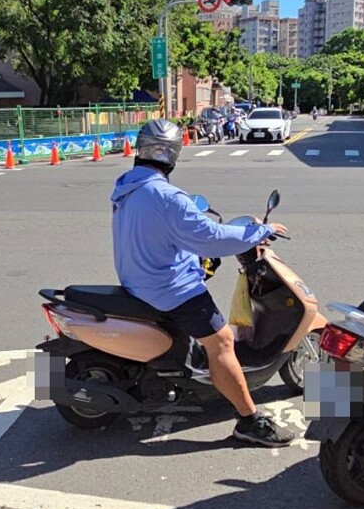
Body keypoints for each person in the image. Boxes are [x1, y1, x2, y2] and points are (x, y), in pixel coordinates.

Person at [110, 119, 294, 446]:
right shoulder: (166, 196)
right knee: (221, 341)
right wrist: (260, 231)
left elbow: (163, 233)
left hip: (139, 280)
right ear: (172, 154)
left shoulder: (128, 185)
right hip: (168, 288)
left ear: (140, 149)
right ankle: (249, 421)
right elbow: (210, 238)